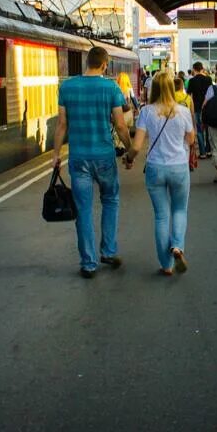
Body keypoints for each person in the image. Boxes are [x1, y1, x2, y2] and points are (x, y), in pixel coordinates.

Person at [52, 47, 132, 279]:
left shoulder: (67, 86)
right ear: (105, 65)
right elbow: (120, 124)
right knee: (110, 200)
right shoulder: (111, 87)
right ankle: (108, 251)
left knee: (83, 210)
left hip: (79, 159)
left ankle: (88, 263)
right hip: (104, 156)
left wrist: (56, 154)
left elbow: (62, 124)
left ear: (87, 62)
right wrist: (130, 151)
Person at [125, 71, 196, 276]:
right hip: (179, 167)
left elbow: (137, 146)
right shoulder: (182, 111)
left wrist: (128, 159)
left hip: (155, 168)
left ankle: (166, 265)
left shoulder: (146, 112)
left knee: (161, 217)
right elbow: (191, 141)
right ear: (172, 88)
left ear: (152, 89)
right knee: (179, 210)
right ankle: (177, 247)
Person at [186, 62, 213, 158]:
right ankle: (209, 150)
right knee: (207, 129)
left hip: (197, 108)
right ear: (202, 68)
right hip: (207, 107)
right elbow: (211, 93)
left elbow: (189, 96)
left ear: (194, 69)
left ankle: (202, 153)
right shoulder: (209, 79)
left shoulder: (192, 81)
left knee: (199, 130)